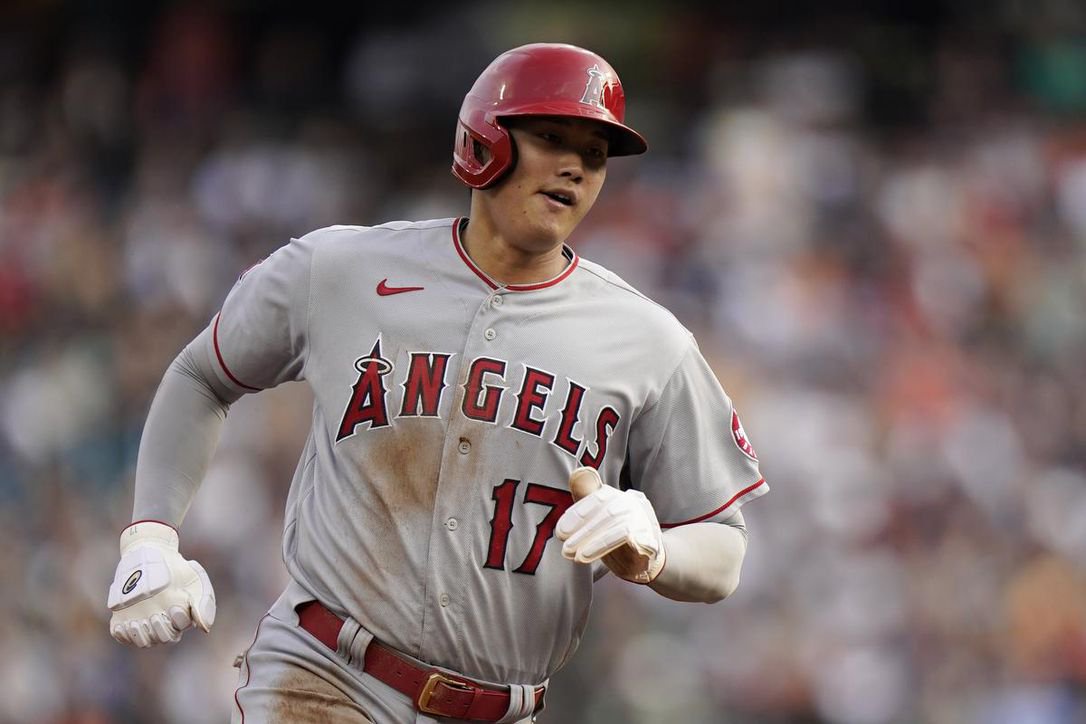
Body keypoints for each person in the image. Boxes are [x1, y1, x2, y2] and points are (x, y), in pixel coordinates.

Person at [106, 42, 768, 723]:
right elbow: (202, 374)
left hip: (502, 708)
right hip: (325, 675)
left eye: (594, 155)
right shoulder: (340, 268)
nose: (575, 166)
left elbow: (722, 551)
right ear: (484, 140)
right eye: (551, 138)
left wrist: (656, 549)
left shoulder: (649, 340)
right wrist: (150, 534)